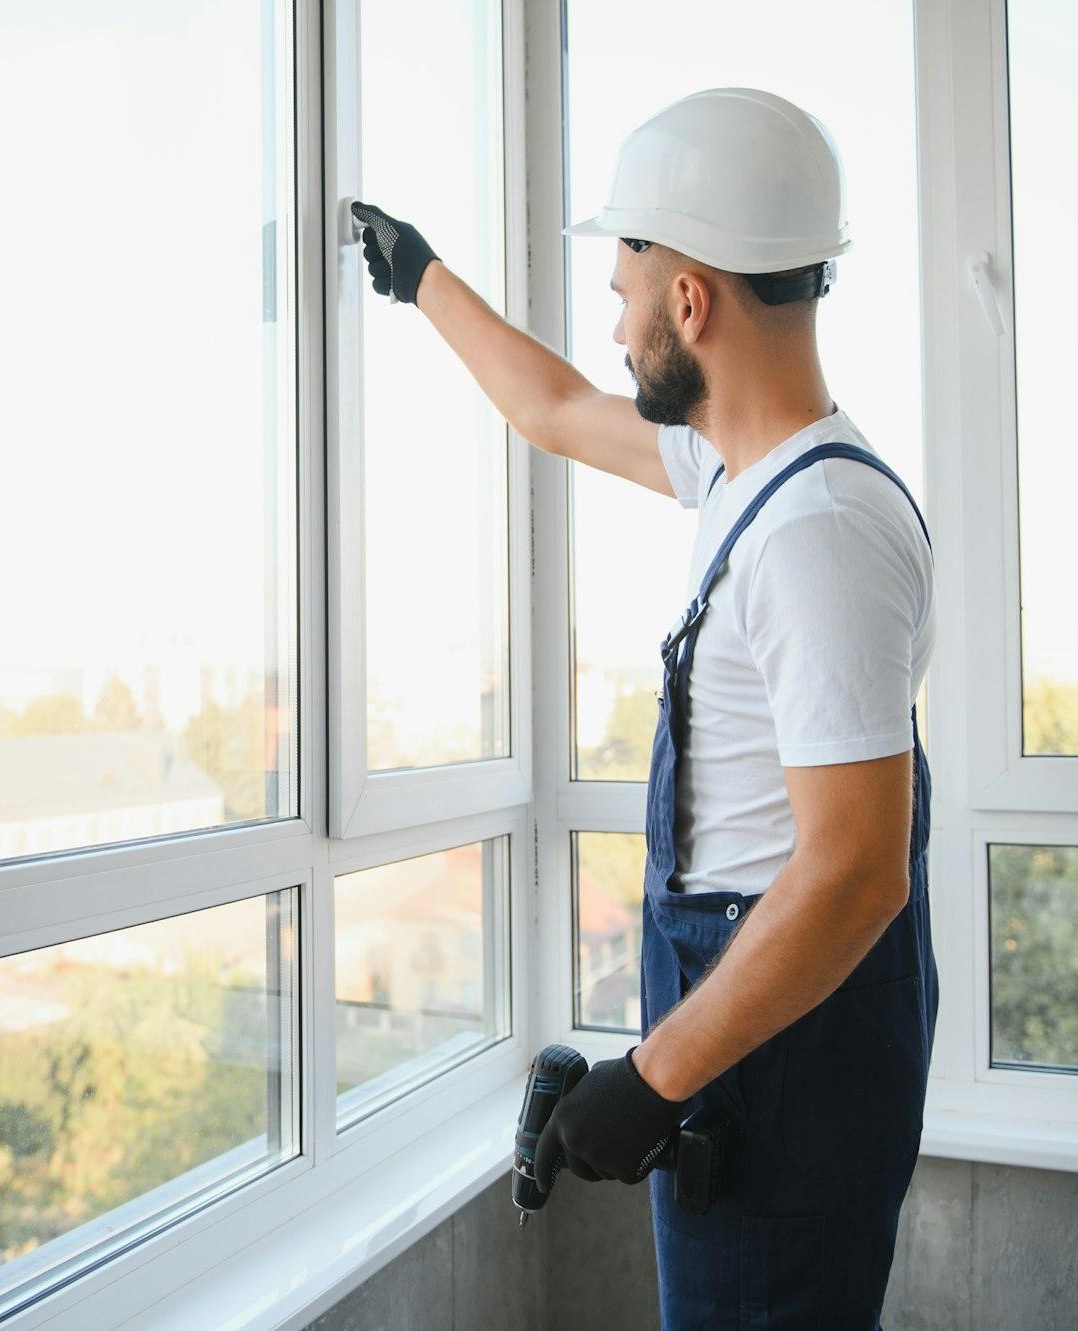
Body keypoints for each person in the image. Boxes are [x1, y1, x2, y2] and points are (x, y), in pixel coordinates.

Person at [350, 86, 936, 1329]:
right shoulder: (736, 466)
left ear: (689, 301)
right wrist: (422, 279)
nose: (614, 333)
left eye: (622, 298)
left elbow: (852, 872)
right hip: (751, 1021)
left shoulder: (815, 532)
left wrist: (653, 1078)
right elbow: (556, 411)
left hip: (779, 1051)